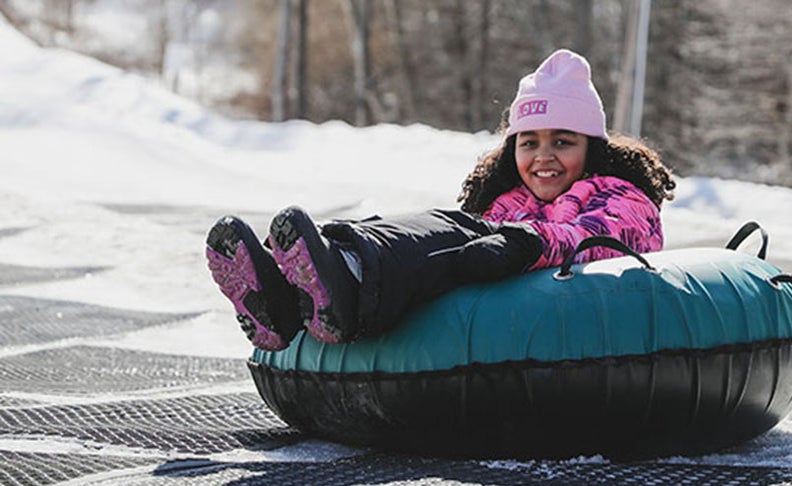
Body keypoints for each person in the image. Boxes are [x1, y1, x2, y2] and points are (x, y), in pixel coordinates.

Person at [206, 49, 675, 351]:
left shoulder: (621, 195)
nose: (543, 157)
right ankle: (291, 297)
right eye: (528, 142)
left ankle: (344, 279)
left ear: (593, 146)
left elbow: (601, 238)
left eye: (563, 141)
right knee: (442, 230)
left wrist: (525, 244)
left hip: (580, 326)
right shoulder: (508, 202)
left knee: (458, 236)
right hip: (503, 304)